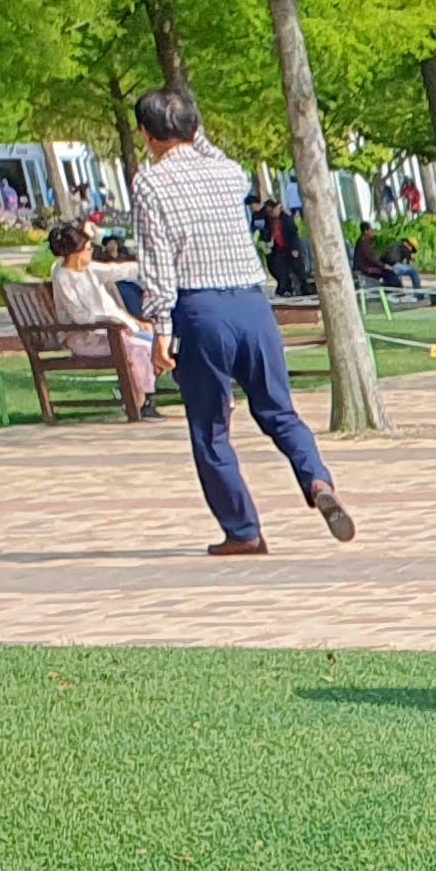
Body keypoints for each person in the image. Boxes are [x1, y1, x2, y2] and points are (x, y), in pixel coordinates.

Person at [128, 89, 354, 559]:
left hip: (200, 309)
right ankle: (315, 478)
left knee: (210, 427)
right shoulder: (229, 174)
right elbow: (207, 146)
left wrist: (160, 329)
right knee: (278, 410)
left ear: (147, 136)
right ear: (194, 129)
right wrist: (194, 127)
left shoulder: (150, 183)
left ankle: (242, 528)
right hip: (252, 305)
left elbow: (157, 262)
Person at [45, 215, 160, 412]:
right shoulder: (63, 275)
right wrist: (118, 321)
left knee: (162, 342)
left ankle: (135, 397)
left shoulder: (88, 269)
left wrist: (150, 265)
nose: (91, 252)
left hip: (111, 333)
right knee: (139, 347)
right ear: (75, 253)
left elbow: (117, 270)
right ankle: (141, 400)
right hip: (85, 338)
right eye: (88, 249)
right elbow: (81, 317)